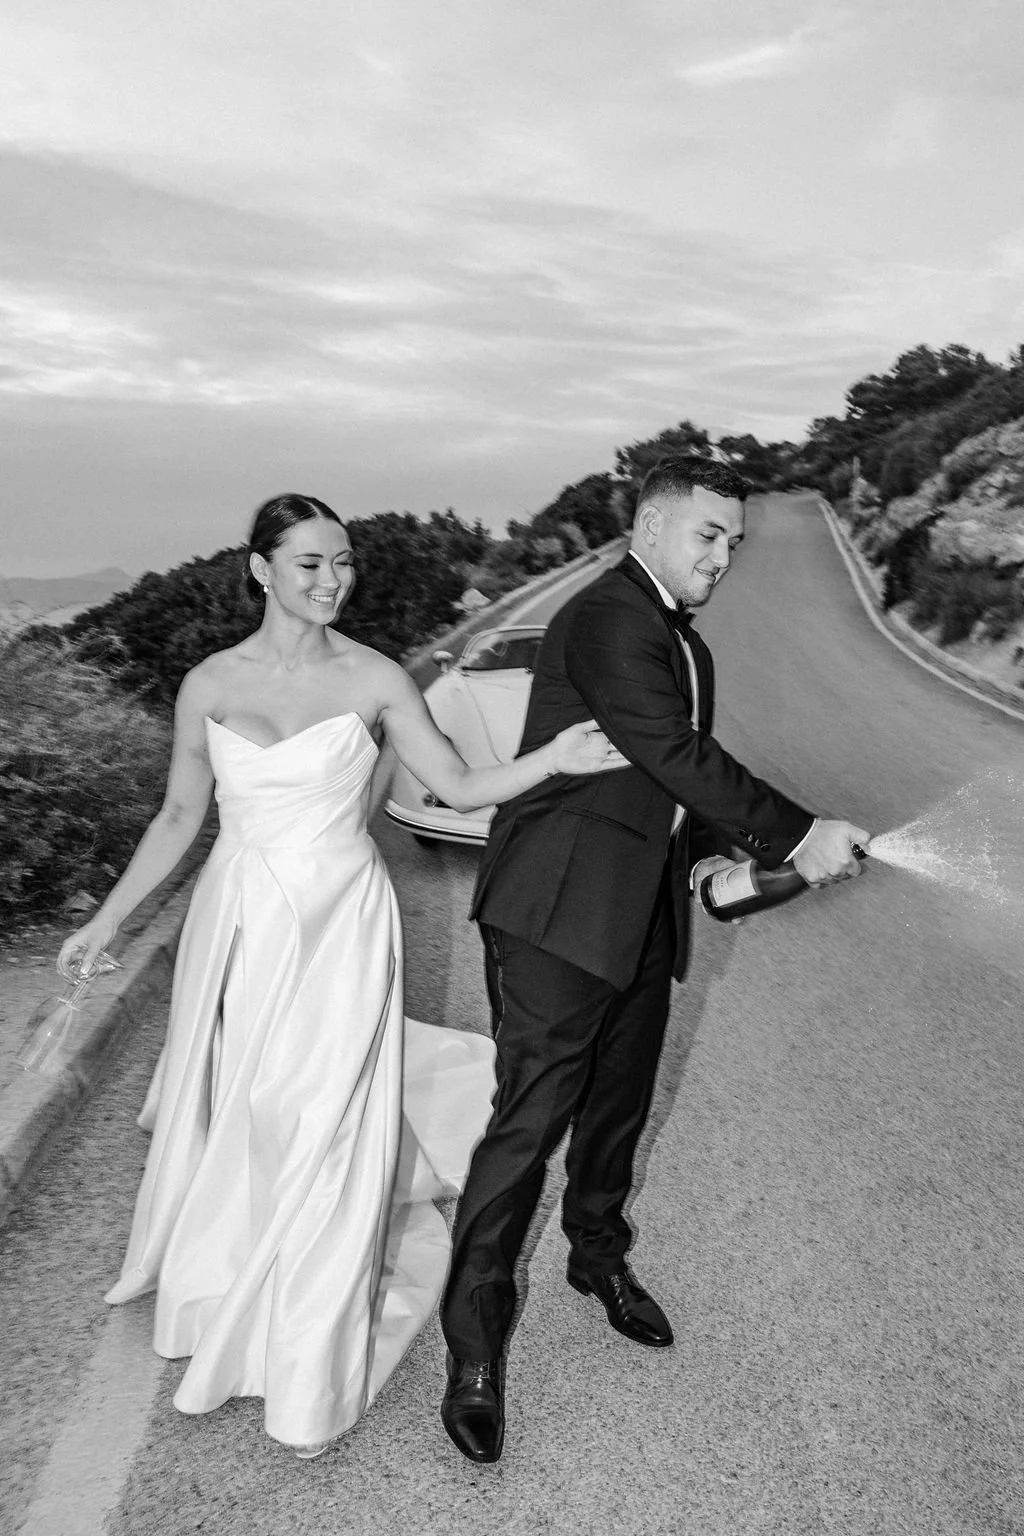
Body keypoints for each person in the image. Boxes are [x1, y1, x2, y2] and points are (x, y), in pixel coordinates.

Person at [58, 493, 624, 1458]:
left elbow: (457, 785)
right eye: (311, 563)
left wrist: (553, 759)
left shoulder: (376, 677)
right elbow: (178, 816)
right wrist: (104, 921)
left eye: (345, 562)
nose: (334, 581)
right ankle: (232, 1271)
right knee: (250, 1106)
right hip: (240, 921)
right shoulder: (209, 683)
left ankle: (305, 1341)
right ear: (260, 569)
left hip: (343, 924)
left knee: (321, 1113)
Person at [439, 456, 871, 1464]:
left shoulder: (687, 644)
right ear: (648, 527)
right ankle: (474, 1346)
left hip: (639, 910)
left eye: (733, 543)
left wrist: (714, 855)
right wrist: (799, 834)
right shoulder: (607, 617)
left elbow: (668, 783)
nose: (722, 558)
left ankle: (596, 1258)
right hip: (556, 912)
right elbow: (673, 752)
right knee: (527, 1127)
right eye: (706, 535)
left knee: (619, 1109)